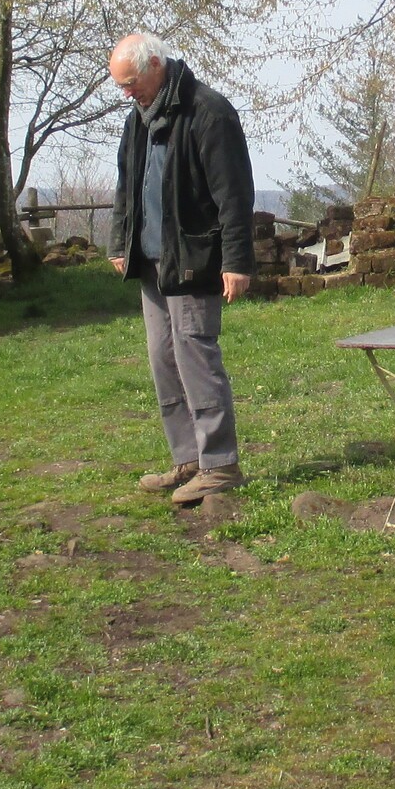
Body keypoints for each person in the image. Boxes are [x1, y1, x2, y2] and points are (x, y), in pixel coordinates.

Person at [107, 32, 255, 505]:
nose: (127, 93)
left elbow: (234, 195)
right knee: (163, 359)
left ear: (155, 64)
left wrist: (236, 261)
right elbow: (127, 185)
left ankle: (220, 465)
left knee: (196, 358)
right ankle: (188, 458)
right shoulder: (138, 118)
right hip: (152, 263)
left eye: (131, 82)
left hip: (193, 260)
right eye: (121, 86)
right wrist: (120, 242)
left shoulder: (209, 112)